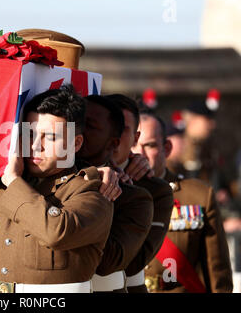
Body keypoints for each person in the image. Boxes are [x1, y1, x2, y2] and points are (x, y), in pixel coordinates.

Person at [0, 85, 114, 293]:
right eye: (29, 134)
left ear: (76, 143)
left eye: (51, 137)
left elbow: (57, 231)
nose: (36, 145)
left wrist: (14, 181)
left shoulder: (91, 189)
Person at [135, 113, 233, 293]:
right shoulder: (109, 194)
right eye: (133, 144)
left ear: (167, 148)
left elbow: (217, 274)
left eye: (149, 145)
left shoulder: (198, 196)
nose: (140, 154)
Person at [77, 94, 154, 293]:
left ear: (113, 143)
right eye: (76, 122)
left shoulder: (134, 197)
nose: (78, 131)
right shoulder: (49, 180)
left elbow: (108, 263)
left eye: (90, 126)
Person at [108, 95, 174, 293]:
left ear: (134, 138)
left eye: (123, 128)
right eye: (108, 126)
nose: (114, 136)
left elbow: (134, 262)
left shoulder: (155, 190)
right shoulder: (81, 175)